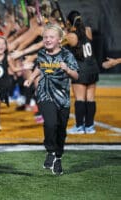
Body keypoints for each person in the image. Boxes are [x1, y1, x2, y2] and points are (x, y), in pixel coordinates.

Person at [24, 23, 79, 175]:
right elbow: (39, 67)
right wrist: (31, 79)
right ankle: (50, 151)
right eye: (45, 37)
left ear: (59, 40)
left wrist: (67, 69)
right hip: (44, 94)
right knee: (50, 123)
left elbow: (76, 75)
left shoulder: (67, 55)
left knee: (61, 130)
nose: (47, 40)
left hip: (63, 99)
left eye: (51, 37)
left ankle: (58, 157)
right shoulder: (42, 53)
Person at [65, 10, 100, 134]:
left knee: (79, 99)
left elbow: (59, 42)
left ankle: (79, 126)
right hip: (93, 68)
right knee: (90, 99)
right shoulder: (88, 30)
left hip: (81, 69)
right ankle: (90, 126)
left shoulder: (70, 36)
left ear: (69, 22)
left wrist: (65, 30)